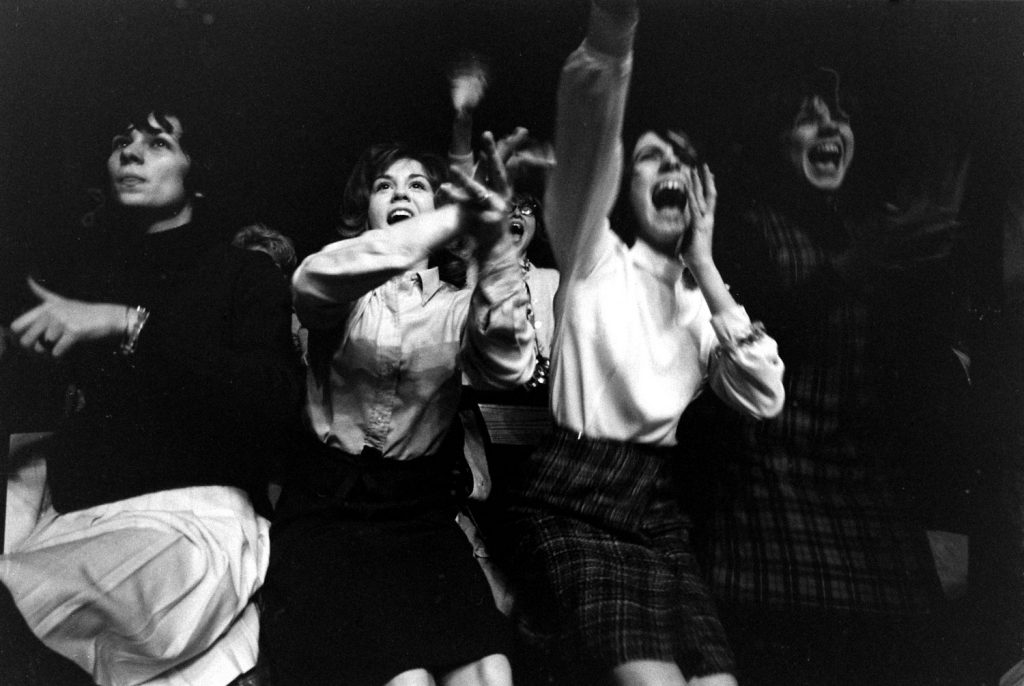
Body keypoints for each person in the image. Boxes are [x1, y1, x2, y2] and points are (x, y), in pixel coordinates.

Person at [502, 1, 785, 685]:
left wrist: (707, 265)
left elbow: (764, 395)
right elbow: (592, 137)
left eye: (684, 159)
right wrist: (613, 29)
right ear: (625, 187)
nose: (671, 166)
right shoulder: (590, 250)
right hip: (573, 502)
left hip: (656, 509)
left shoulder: (699, 304)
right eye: (652, 155)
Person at [0, 105, 300, 686]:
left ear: (198, 173)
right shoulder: (83, 278)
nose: (129, 154)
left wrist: (128, 324)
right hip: (78, 519)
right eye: (120, 142)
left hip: (192, 523)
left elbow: (275, 398)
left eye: (157, 143)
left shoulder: (244, 273)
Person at [701, 67, 968, 685]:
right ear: (777, 139)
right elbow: (753, 349)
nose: (829, 126)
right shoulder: (745, 229)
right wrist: (855, 267)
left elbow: (904, 381)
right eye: (808, 115)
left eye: (841, 115)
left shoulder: (868, 229)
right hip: (768, 484)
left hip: (860, 489)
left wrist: (913, 281)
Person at [260, 135, 537, 686]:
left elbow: (511, 361)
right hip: (329, 517)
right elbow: (311, 283)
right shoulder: (346, 287)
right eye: (384, 186)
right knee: (403, 678)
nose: (399, 193)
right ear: (365, 209)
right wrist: (453, 216)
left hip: (419, 520)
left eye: (417, 185)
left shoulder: (461, 305)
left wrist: (494, 241)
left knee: (492, 674)